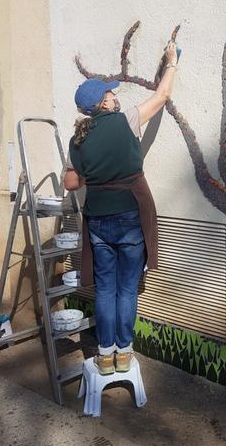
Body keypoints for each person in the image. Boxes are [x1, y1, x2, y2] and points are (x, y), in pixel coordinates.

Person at [64, 41, 178, 375]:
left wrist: (92, 175)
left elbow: (71, 183)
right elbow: (161, 97)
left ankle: (104, 354)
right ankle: (124, 352)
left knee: (105, 289)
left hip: (98, 220)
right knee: (127, 288)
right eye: (111, 93)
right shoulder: (127, 120)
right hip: (130, 217)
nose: (116, 96)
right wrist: (171, 63)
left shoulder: (77, 140)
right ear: (103, 102)